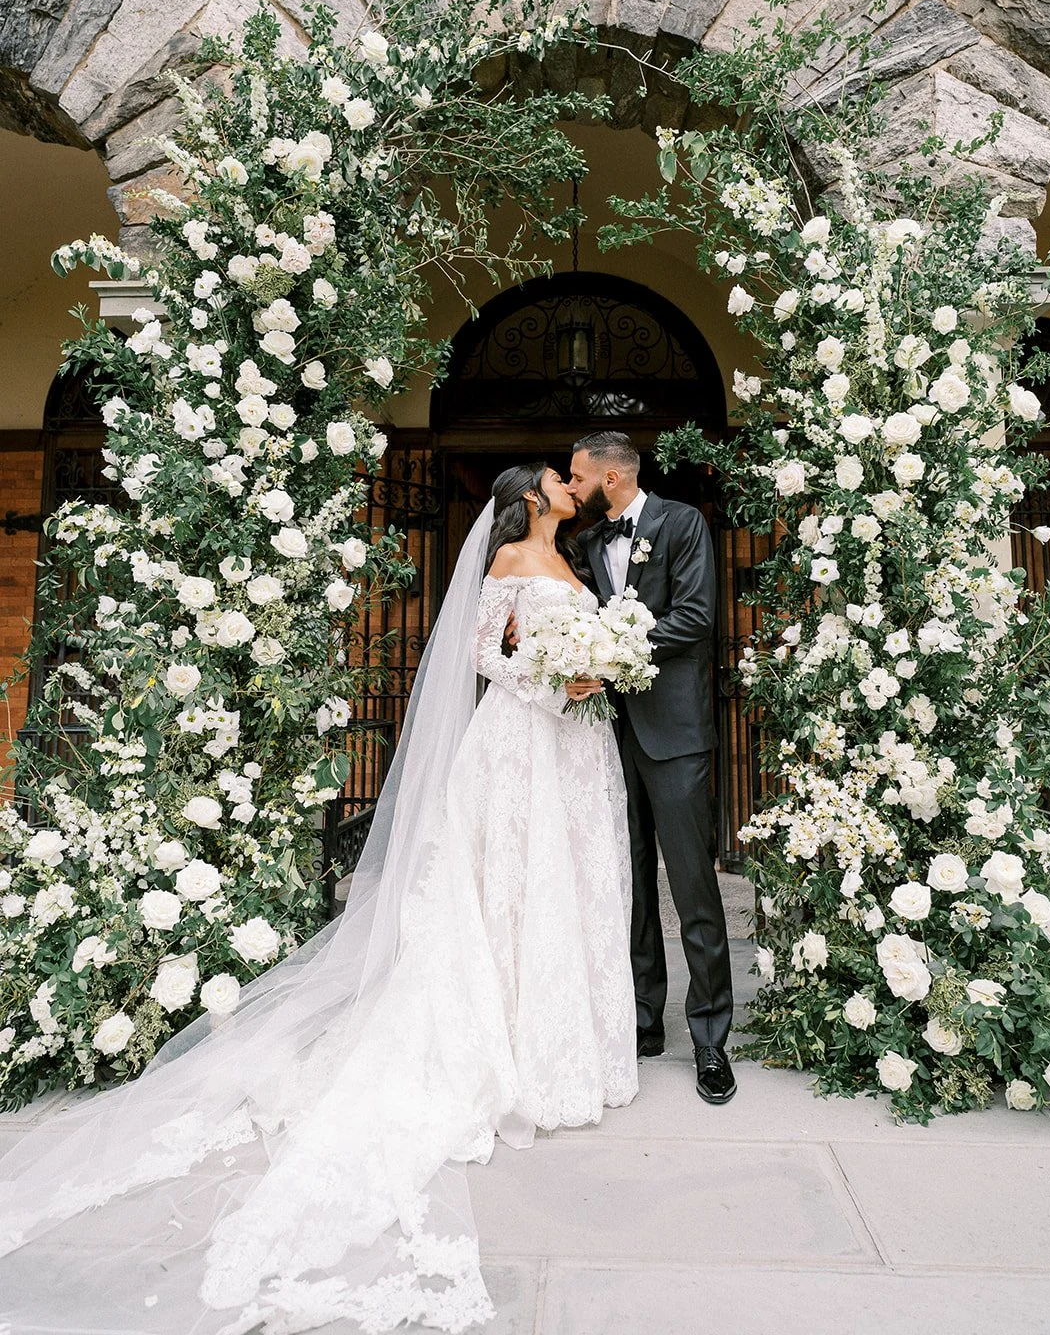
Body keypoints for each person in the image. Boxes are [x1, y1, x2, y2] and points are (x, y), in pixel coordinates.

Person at [0, 464, 637, 1335]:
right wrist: (553, 676)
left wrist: (595, 670)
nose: (569, 484)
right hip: (521, 740)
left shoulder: (572, 557)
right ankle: (506, 1035)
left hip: (570, 743)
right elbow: (488, 655)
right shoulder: (505, 566)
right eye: (556, 481)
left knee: (562, 881)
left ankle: (562, 1035)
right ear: (530, 498)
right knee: (507, 884)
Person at [567, 430, 736, 1106]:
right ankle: (642, 1025)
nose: (572, 487)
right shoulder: (583, 544)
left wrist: (606, 654)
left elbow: (694, 617)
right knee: (627, 883)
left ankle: (709, 1039)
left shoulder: (681, 523)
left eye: (578, 477)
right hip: (607, 735)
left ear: (611, 478)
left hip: (675, 733)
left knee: (692, 886)